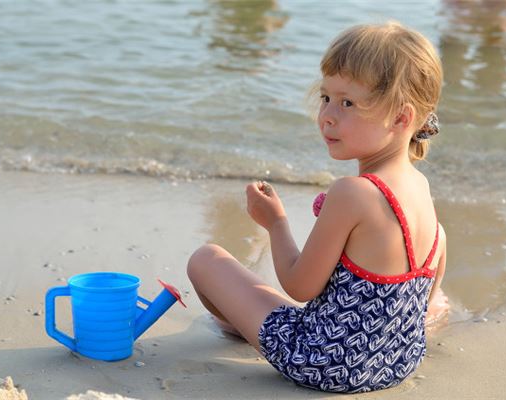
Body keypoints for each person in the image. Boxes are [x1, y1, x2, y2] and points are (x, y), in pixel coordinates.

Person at [187, 21, 449, 393]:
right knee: (439, 236)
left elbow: (299, 286)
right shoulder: (420, 187)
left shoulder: (354, 193)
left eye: (348, 103)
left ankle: (238, 325)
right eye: (326, 97)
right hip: (396, 362)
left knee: (205, 259)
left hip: (322, 363)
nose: (327, 115)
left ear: (402, 118)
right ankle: (246, 319)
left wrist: (275, 223)